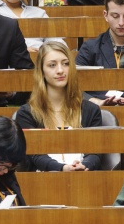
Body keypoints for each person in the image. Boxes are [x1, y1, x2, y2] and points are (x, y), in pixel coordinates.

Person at [15, 41, 102, 172]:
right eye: (52, 65)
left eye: (66, 64)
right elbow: (35, 155)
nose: (60, 70)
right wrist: (62, 168)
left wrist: (84, 165)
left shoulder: (91, 110)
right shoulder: (27, 113)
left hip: (83, 177)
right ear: (41, 71)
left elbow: (95, 152)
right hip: (43, 179)